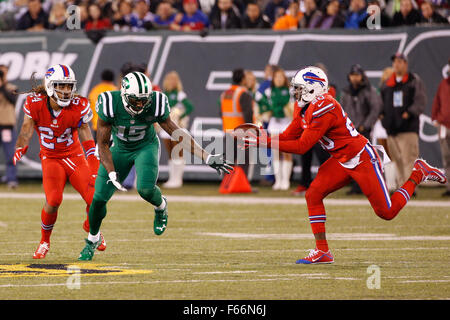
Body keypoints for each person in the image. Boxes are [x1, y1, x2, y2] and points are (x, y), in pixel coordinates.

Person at [242, 66, 447, 264]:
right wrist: (265, 136)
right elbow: (290, 135)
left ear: (314, 88)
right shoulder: (304, 106)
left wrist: (264, 141)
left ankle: (418, 173)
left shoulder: (325, 107)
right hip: (341, 160)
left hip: (361, 158)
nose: (296, 93)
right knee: (313, 194)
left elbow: (302, 146)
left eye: (299, 88)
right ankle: (323, 251)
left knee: (387, 212)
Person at [78, 71, 232, 261]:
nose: (141, 104)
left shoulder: (157, 102)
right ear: (125, 96)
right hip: (119, 147)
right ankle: (92, 239)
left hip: (145, 146)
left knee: (145, 189)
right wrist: (111, 173)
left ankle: (160, 206)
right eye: (137, 100)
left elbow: (177, 133)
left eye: (145, 100)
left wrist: (206, 156)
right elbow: (102, 144)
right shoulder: (110, 102)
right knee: (99, 198)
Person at [13, 64, 105, 259]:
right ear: (49, 86)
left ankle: (92, 229)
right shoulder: (35, 102)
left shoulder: (78, 105)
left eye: (68, 86)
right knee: (53, 200)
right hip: (51, 158)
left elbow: (85, 131)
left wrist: (93, 159)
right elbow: (27, 127)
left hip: (74, 156)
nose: (65, 91)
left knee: (95, 198)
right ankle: (44, 241)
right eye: (61, 86)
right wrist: (21, 145)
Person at [380, 53, 427, 191]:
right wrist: (382, 117)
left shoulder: (413, 80)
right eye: (395, 61)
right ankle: (402, 187)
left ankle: (410, 188)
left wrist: (409, 113)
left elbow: (421, 101)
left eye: (400, 61)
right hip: (391, 129)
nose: (397, 64)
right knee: (397, 160)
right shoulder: (388, 83)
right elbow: (381, 102)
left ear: (406, 64)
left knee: (409, 159)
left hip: (408, 128)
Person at [340, 64, 383, 194]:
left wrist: (366, 125)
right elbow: (341, 110)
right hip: (350, 130)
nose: (355, 78)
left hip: (363, 130)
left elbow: (376, 108)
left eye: (357, 75)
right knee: (351, 160)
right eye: (353, 75)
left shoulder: (369, 90)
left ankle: (366, 186)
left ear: (362, 76)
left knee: (364, 160)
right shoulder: (346, 92)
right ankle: (355, 185)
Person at [257, 68, 293, 190]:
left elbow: (294, 107)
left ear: (284, 79)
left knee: (287, 152)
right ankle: (278, 181)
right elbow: (261, 105)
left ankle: (286, 181)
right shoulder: (268, 91)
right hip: (274, 124)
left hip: (287, 124)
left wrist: (288, 111)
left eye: (281, 77)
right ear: (273, 79)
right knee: (275, 152)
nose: (278, 79)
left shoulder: (290, 91)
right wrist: (266, 113)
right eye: (276, 77)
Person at [160, 71, 195, 189]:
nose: (172, 81)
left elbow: (190, 107)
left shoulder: (180, 94)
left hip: (176, 127)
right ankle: (172, 178)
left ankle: (178, 179)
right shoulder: (163, 94)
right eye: (170, 79)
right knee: (170, 153)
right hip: (165, 127)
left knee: (177, 152)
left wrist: (180, 116)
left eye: (174, 79)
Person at [220, 68, 253, 180]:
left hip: (228, 131)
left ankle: (227, 183)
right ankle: (241, 183)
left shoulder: (225, 94)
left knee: (229, 159)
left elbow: (221, 113)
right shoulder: (243, 94)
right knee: (244, 159)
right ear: (243, 79)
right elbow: (248, 114)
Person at [431, 59, 450, 197]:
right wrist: (434, 117)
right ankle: (449, 187)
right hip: (444, 125)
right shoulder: (444, 83)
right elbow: (437, 101)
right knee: (446, 158)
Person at [0, 64, 18, 189]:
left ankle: (11, 179)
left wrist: (2, 85)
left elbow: (12, 99)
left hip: (6, 126)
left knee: (10, 154)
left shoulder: (11, 87)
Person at [88, 69, 118, 141]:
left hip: (97, 126)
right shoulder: (116, 91)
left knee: (98, 150)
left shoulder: (95, 90)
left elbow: (90, 107)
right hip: (112, 128)